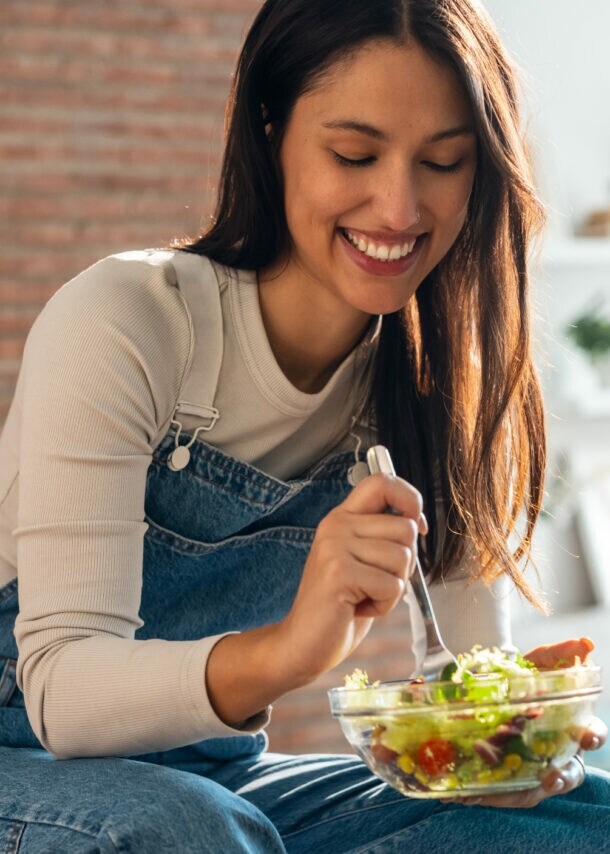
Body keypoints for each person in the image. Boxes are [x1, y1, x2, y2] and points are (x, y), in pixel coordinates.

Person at [0, 0, 608, 850]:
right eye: (353, 154)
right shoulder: (128, 320)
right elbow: (61, 693)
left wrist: (512, 739)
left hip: (219, 780)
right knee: (191, 827)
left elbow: (470, 690)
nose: (399, 207)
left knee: (587, 808)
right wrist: (291, 649)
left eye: (442, 161)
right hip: (24, 760)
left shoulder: (436, 383)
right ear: (268, 129)